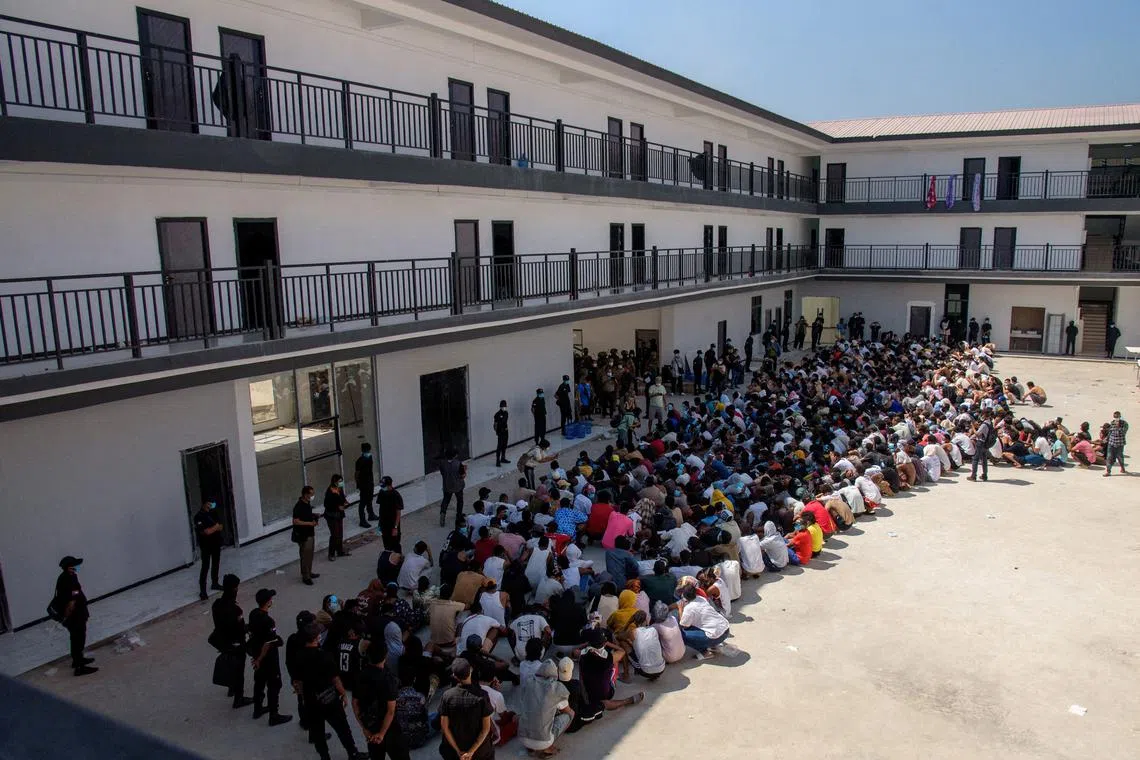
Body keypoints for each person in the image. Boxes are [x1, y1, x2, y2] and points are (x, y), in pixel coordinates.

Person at [294, 622, 366, 760]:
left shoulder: (299, 656)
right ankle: (353, 753)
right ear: (316, 638)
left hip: (310, 699)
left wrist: (303, 696)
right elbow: (335, 679)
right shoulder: (324, 656)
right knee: (342, 728)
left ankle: (324, 757)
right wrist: (343, 694)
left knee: (317, 732)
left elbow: (297, 681)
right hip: (328, 698)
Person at [353, 638, 408, 760]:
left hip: (371, 727)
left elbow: (355, 703)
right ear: (385, 656)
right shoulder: (387, 679)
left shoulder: (360, 675)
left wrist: (365, 728)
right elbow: (391, 711)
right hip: (390, 729)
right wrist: (382, 734)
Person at [248, 588, 293, 726]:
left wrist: (256, 658)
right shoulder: (268, 621)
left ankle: (258, 708)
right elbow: (268, 643)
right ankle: (274, 715)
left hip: (257, 653)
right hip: (267, 658)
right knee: (274, 684)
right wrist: (259, 659)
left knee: (259, 681)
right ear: (268, 602)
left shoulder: (253, 614)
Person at [209, 573, 253, 707]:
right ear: (234, 589)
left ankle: (231, 688)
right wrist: (248, 629)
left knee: (230, 663)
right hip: (236, 643)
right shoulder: (235, 609)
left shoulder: (217, 604)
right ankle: (238, 698)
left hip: (222, 641)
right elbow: (239, 629)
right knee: (239, 669)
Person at [438, 659, 494, 760]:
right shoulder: (482, 696)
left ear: (454, 676)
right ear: (471, 670)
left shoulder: (447, 696)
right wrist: (470, 752)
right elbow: (485, 729)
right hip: (480, 752)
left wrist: (458, 751)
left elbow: (444, 728)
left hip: (454, 752)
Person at [518, 660, 574, 757]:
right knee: (570, 715)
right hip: (543, 741)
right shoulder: (557, 688)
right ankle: (547, 748)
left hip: (522, 737)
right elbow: (567, 711)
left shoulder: (529, 682)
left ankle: (531, 747)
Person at [52, 556, 96, 677]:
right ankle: (79, 667)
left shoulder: (67, 576)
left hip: (77, 613)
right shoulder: (68, 578)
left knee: (76, 637)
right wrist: (69, 614)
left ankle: (78, 660)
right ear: (69, 567)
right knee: (78, 638)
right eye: (74, 565)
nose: (76, 567)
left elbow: (75, 593)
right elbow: (71, 599)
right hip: (75, 615)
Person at [194, 499, 225, 600]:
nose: (209, 506)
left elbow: (220, 526)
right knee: (205, 566)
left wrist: (214, 528)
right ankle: (203, 590)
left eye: (211, 504)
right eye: (208, 504)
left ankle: (215, 583)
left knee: (216, 563)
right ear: (204, 504)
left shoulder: (213, 513)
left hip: (215, 543)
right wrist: (214, 527)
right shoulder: (199, 516)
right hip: (206, 545)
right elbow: (205, 532)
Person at [292, 486, 321, 586]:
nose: (312, 496)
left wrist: (313, 516)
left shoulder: (307, 504)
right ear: (305, 494)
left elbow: (306, 515)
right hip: (303, 535)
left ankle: (309, 572)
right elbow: (296, 521)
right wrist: (309, 523)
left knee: (310, 555)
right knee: (305, 555)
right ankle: (306, 576)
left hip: (310, 533)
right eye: (311, 494)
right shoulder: (299, 506)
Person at [324, 474, 351, 562]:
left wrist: (345, 503)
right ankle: (331, 554)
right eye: (339, 481)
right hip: (332, 516)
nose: (341, 483)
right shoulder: (330, 491)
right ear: (335, 482)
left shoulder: (340, 489)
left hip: (339, 515)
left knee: (340, 534)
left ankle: (340, 551)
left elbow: (342, 499)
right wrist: (337, 507)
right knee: (334, 534)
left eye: (341, 481)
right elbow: (327, 505)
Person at [439, 448, 467, 528]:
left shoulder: (442, 463)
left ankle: (443, 513)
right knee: (460, 500)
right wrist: (465, 471)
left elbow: (442, 473)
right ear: (454, 456)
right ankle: (459, 515)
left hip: (447, 485)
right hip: (458, 486)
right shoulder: (458, 464)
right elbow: (462, 475)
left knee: (446, 500)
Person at [376, 476, 403, 553]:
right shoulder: (381, 493)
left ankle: (398, 561)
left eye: (384, 486)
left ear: (389, 485)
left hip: (392, 524)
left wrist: (395, 527)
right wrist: (379, 524)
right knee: (386, 544)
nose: (382, 488)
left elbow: (398, 513)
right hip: (384, 524)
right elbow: (381, 509)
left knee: (395, 545)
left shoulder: (396, 495)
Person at [355, 443, 378, 528]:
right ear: (363, 450)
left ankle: (371, 514)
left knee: (370, 499)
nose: (368, 452)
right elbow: (357, 474)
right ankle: (362, 520)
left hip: (369, 483)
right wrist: (358, 484)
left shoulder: (369, 457)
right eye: (366, 450)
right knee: (363, 502)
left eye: (368, 450)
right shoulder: (359, 461)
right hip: (364, 484)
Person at [968, 417, 993, 482]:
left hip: (981, 442)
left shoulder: (984, 424)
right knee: (984, 459)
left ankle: (973, 476)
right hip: (986, 443)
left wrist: (973, 427)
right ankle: (984, 475)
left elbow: (977, 434)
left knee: (975, 459)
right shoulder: (990, 423)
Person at [1104, 411, 1128, 477]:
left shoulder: (1125, 424)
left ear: (1120, 417)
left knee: (1120, 457)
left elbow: (1124, 432)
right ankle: (1108, 471)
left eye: (1117, 417)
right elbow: (1110, 432)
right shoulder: (1112, 423)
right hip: (1111, 442)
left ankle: (1122, 467)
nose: (1116, 418)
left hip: (1120, 443)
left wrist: (1118, 427)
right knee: (1109, 457)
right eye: (1115, 417)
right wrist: (1107, 438)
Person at [493, 400, 510, 467]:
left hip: (505, 431)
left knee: (505, 445)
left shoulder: (506, 413)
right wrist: (497, 431)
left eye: (505, 406)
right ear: (500, 407)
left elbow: (504, 421)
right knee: (499, 446)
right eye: (503, 406)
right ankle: (497, 461)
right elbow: (495, 425)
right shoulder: (496, 414)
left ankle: (503, 458)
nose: (504, 407)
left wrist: (500, 424)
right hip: (500, 432)